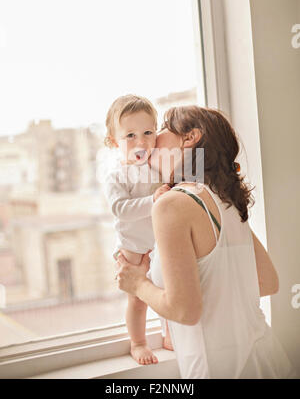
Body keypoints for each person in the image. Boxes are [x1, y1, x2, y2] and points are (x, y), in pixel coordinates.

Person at [116, 105, 295, 378]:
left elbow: (185, 310)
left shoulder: (172, 205)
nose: (152, 141)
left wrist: (137, 283)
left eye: (162, 129)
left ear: (190, 138)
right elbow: (267, 281)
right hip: (267, 360)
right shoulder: (226, 201)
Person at [103, 94, 172, 366]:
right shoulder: (117, 175)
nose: (141, 141)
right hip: (134, 247)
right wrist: (153, 200)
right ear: (113, 141)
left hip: (162, 242)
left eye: (147, 132)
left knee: (170, 291)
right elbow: (120, 208)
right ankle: (139, 341)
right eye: (130, 135)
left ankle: (169, 334)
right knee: (138, 299)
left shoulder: (159, 166)